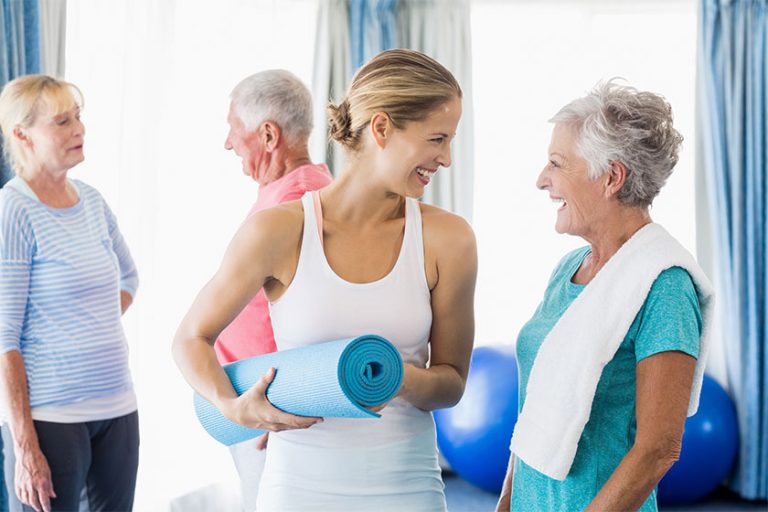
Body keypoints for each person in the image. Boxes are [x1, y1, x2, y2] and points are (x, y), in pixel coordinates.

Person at [173, 48, 477, 511]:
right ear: (381, 128)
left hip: (407, 485)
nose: (447, 159)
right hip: (297, 489)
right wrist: (231, 405)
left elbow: (451, 382)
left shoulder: (449, 239)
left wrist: (396, 378)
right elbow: (190, 338)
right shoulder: (278, 231)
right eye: (437, 139)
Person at [496, 80, 713, 511]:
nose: (542, 180)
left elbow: (659, 449)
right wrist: (507, 501)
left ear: (612, 177)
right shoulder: (569, 268)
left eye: (557, 164)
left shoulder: (665, 285)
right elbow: (534, 411)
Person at [0, 75, 139, 512]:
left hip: (117, 406)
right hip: (50, 418)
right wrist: (25, 445)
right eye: (62, 122)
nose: (79, 129)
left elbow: (129, 279)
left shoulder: (92, 201)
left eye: (78, 117)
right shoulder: (13, 210)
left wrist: (85, 327)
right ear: (23, 135)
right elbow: (4, 337)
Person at [215, 69, 332, 511]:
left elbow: (325, 316)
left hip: (272, 408)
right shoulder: (285, 189)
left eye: (233, 129)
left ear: (268, 135)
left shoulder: (297, 201)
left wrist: (290, 395)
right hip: (255, 402)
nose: (228, 143)